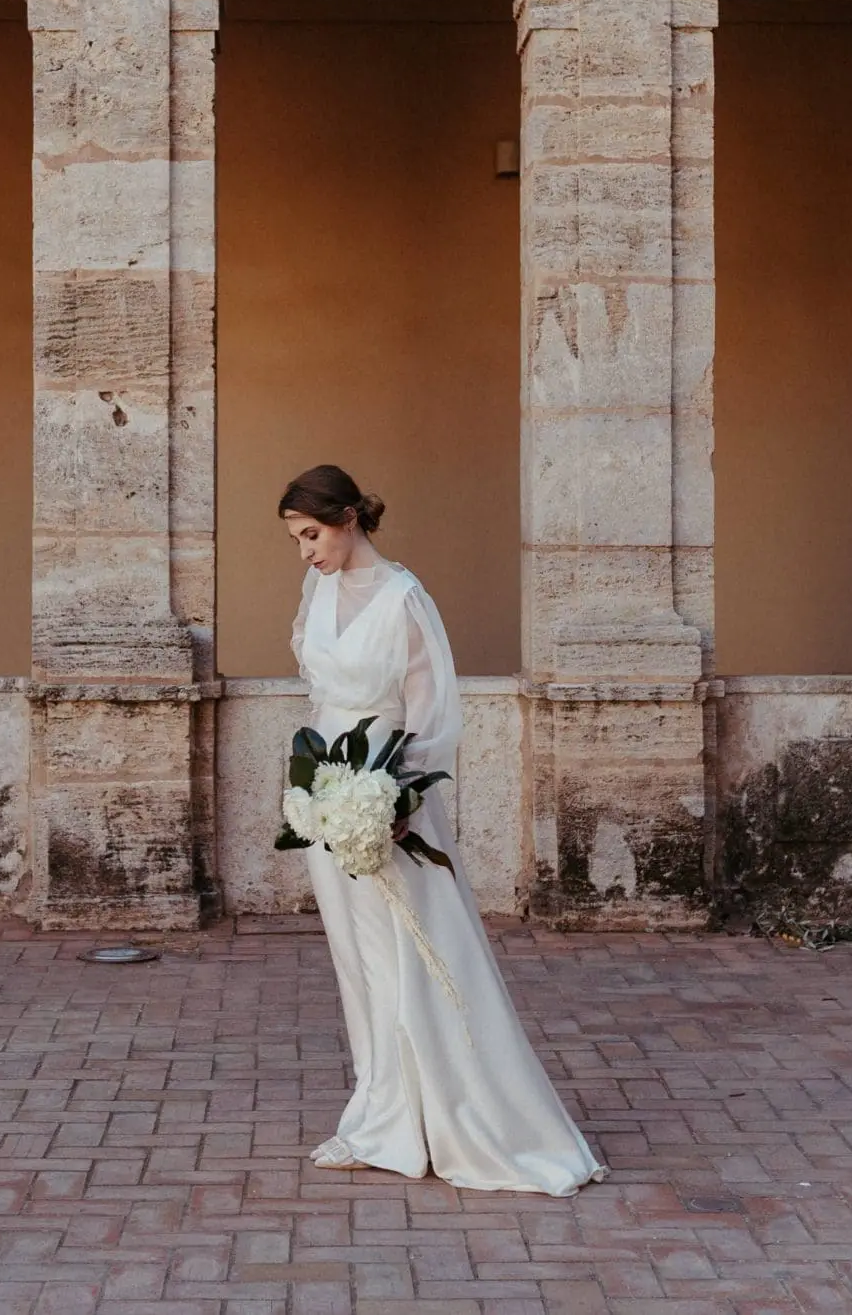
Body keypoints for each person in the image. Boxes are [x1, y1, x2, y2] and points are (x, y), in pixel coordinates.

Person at [279, 463, 606, 1196]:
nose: (304, 551)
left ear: (349, 518)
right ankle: (383, 1113)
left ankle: (457, 1116)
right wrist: (319, 787)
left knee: (418, 952)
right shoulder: (319, 587)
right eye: (297, 539)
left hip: (385, 794)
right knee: (359, 960)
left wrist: (392, 799)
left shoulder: (403, 597)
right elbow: (318, 686)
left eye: (311, 534)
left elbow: (430, 717)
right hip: (326, 793)